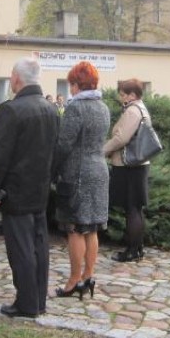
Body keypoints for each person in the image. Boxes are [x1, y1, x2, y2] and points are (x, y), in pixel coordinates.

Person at [0, 57, 59, 318]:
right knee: (39, 246)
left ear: (17, 79)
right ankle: (38, 301)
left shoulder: (11, 110)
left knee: (21, 249)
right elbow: (55, 152)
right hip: (40, 190)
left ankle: (26, 304)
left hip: (15, 192)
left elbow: (1, 158)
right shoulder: (51, 109)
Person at [51, 61, 110, 300]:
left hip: (78, 174)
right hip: (99, 171)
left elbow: (64, 144)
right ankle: (88, 275)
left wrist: (51, 168)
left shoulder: (76, 109)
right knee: (91, 227)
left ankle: (74, 280)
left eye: (71, 85)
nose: (70, 90)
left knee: (74, 227)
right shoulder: (103, 107)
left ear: (77, 84)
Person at [103, 78, 153, 262]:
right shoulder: (141, 108)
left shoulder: (133, 111)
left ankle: (132, 250)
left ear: (132, 95)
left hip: (128, 165)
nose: (120, 97)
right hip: (137, 164)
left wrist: (103, 150)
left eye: (123, 94)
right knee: (136, 208)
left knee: (131, 208)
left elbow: (122, 138)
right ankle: (137, 248)